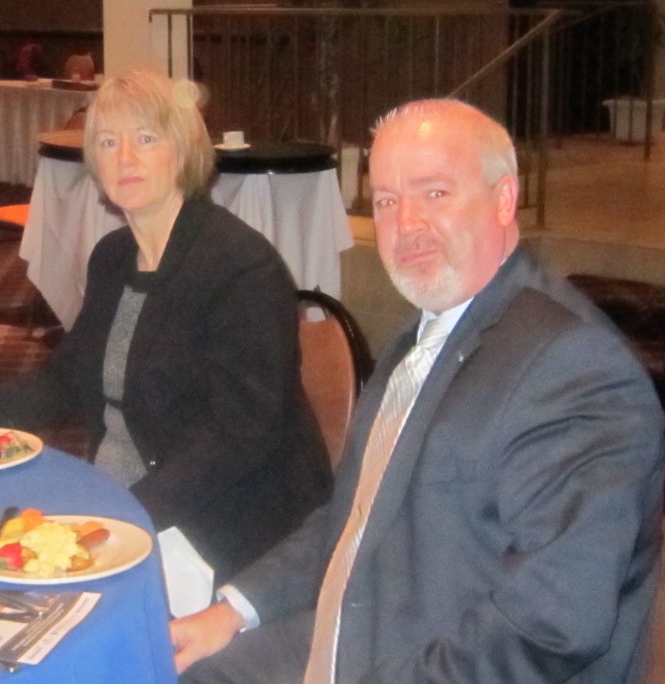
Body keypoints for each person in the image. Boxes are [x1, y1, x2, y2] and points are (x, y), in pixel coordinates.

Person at [169, 98, 664, 683]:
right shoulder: (429, 326)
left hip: (434, 666)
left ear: (504, 199)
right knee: (164, 667)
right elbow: (354, 518)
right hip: (363, 632)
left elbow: (550, 624)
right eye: (385, 201)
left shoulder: (572, 367)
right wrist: (234, 611)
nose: (406, 225)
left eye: (435, 193)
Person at [0, 69, 331, 583]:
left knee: (31, 593)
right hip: (122, 495)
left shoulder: (240, 267)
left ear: (185, 151)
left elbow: (238, 438)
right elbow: (68, 379)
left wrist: (122, 515)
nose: (126, 157)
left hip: (225, 521)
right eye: (108, 141)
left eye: (146, 139)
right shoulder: (114, 257)